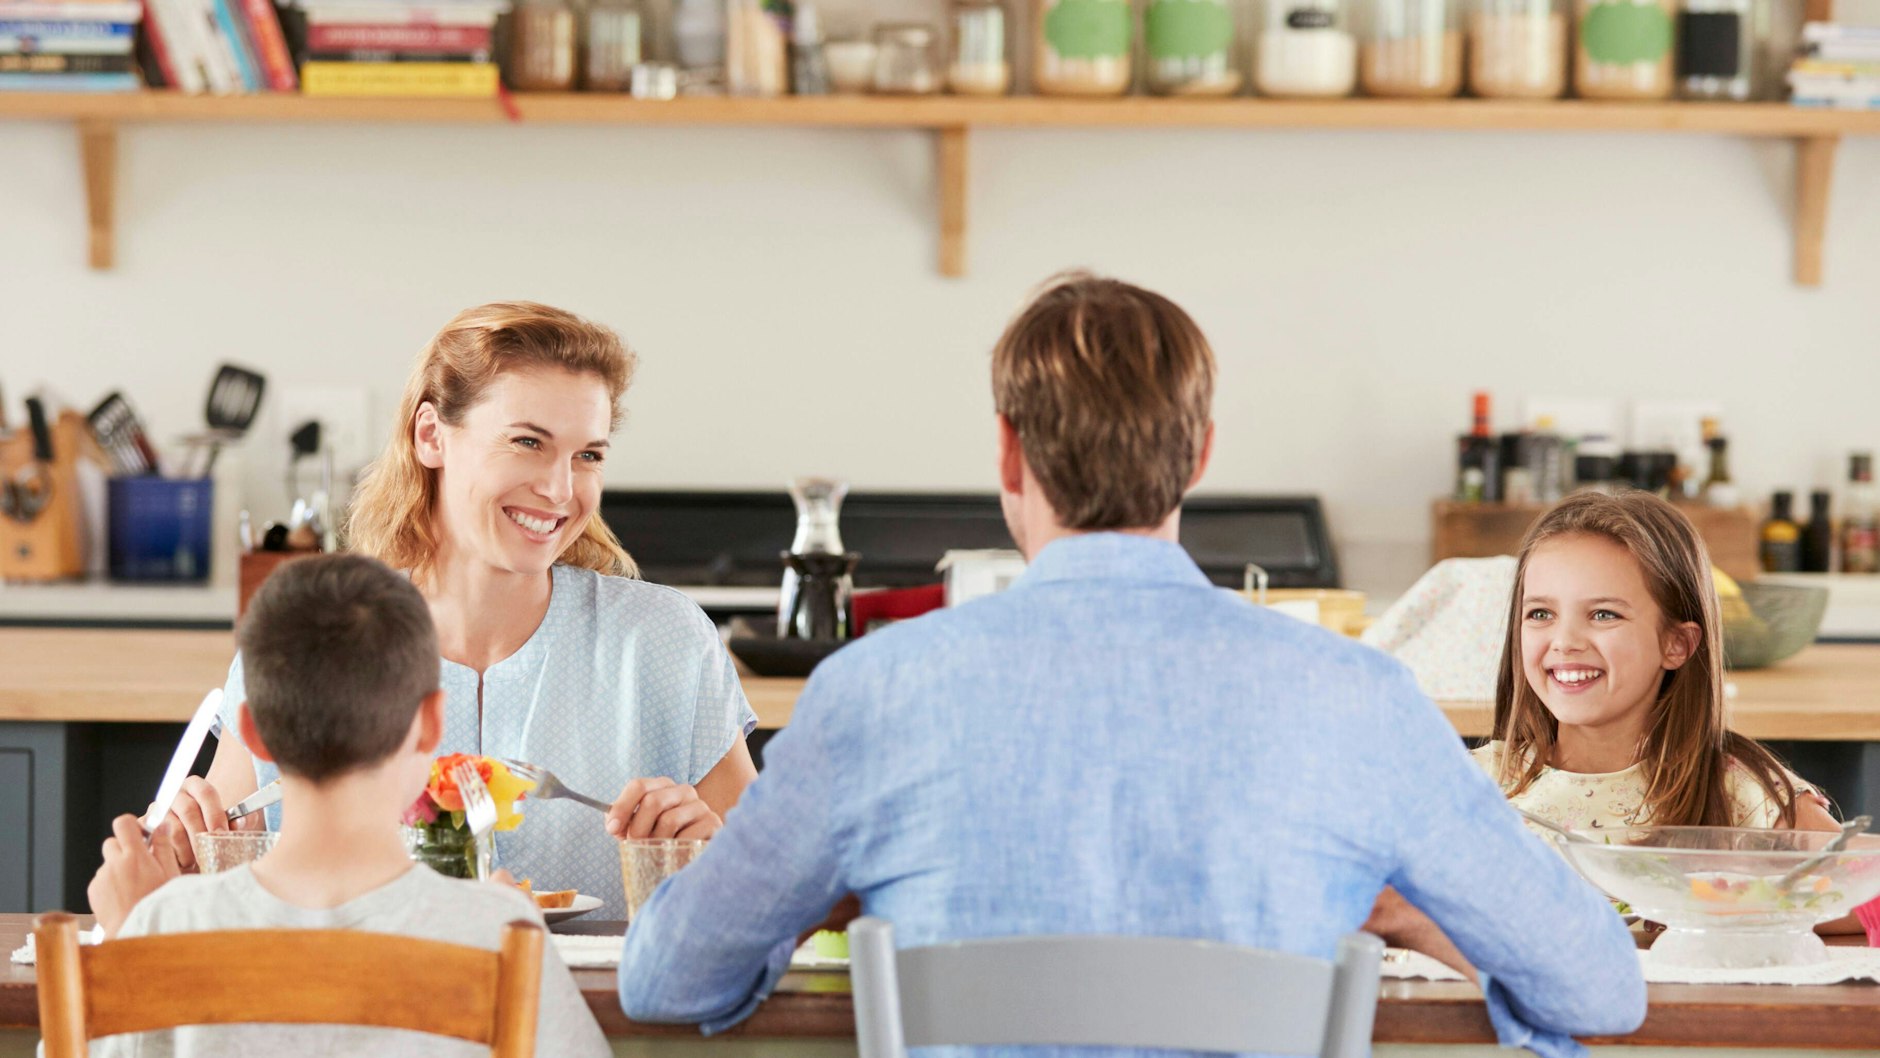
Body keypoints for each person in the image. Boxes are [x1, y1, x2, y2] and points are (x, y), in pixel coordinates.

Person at [615, 273, 1645, 1058]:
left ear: (1009, 456)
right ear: (1198, 455)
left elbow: (664, 976)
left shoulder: (871, 689)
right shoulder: (1355, 696)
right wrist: (1409, 914)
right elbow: (1598, 988)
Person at [155, 302, 757, 918]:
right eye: (527, 442)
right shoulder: (318, 636)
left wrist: (709, 853)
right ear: (430, 435)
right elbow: (224, 886)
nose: (560, 489)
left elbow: (768, 890)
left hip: (602, 1010)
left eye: (588, 456)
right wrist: (183, 857)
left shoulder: (664, 641)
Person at [84, 553, 610, 1058]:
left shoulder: (162, 927)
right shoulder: (497, 931)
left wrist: (125, 940)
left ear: (253, 734)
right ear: (431, 724)